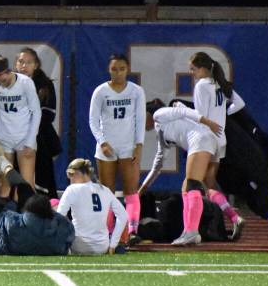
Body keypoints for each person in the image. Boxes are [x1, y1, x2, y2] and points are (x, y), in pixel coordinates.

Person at [137, 99, 223, 246]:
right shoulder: (161, 131)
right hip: (205, 140)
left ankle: (192, 232)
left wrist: (207, 122)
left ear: (148, 113)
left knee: (192, 185)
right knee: (186, 188)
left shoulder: (159, 113)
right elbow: (158, 164)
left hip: (201, 138)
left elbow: (184, 111)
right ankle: (189, 231)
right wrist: (142, 189)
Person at [88, 53, 146, 245]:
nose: (118, 73)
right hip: (107, 147)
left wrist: (139, 145)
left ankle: (132, 231)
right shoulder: (101, 91)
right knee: (107, 191)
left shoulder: (136, 91)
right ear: (109, 69)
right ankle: (109, 231)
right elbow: (93, 121)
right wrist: (102, 142)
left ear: (128, 69)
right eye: (114, 69)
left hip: (128, 146)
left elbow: (140, 119)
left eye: (122, 69)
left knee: (131, 190)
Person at [189, 51, 246, 239]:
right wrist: (223, 115)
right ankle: (226, 220)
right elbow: (239, 103)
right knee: (209, 183)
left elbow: (200, 115)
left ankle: (220, 220)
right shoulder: (219, 84)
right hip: (221, 139)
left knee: (197, 184)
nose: (192, 73)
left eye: (193, 69)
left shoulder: (201, 86)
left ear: (202, 68)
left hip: (207, 139)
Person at [0, 54, 41, 199]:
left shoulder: (25, 83)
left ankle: (26, 213)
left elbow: (36, 112)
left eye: (2, 80)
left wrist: (30, 141)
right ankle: (6, 213)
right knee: (4, 185)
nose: (0, 84)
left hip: (24, 137)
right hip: (3, 138)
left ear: (8, 71)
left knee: (27, 185)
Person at [15, 47, 61, 198]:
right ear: (16, 64)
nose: (24, 66)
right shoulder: (7, 83)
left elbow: (49, 114)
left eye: (29, 62)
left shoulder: (45, 85)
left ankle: (42, 205)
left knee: (41, 176)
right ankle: (9, 205)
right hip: (12, 135)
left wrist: (30, 130)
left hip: (39, 137)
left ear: (36, 65)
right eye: (21, 61)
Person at [57, 158, 127, 255]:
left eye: (71, 174)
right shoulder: (105, 190)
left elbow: (59, 216)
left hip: (78, 246)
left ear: (80, 173)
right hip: (102, 247)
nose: (70, 179)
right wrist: (113, 244)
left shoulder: (71, 189)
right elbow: (123, 216)